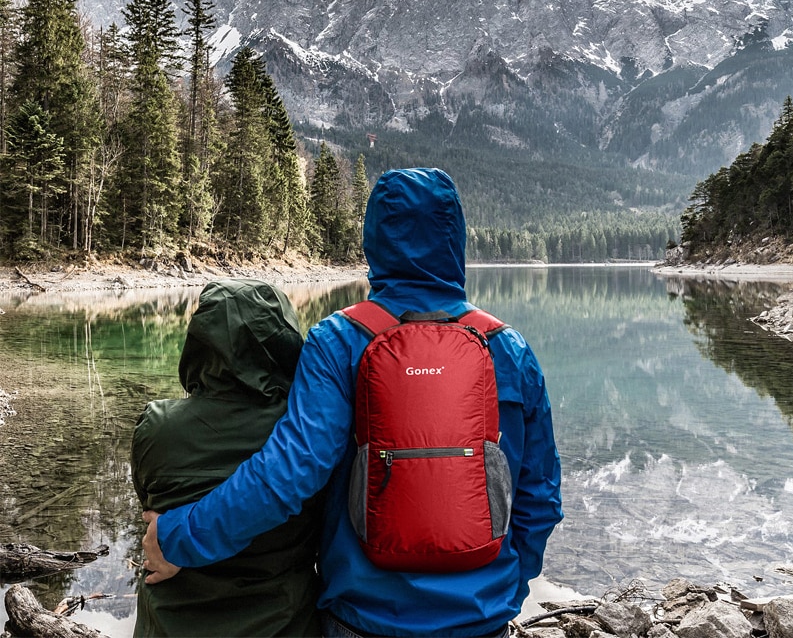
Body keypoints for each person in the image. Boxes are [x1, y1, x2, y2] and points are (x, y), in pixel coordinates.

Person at [143, 168, 563, 637]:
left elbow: (288, 476)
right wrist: (502, 590)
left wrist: (178, 537)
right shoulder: (510, 349)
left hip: (363, 620)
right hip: (482, 620)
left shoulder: (339, 340)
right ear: (456, 239)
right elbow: (540, 500)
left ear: (374, 240)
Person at [131, 278, 323, 637]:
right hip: (284, 625)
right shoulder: (306, 434)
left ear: (200, 341)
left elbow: (148, 509)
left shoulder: (157, 427)